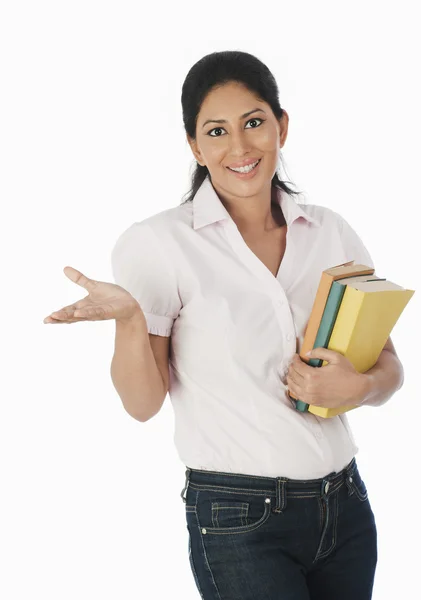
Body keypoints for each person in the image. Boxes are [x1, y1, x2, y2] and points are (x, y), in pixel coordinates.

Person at [43, 50, 404, 599]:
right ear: (194, 144)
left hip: (346, 508)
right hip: (240, 520)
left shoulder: (330, 231)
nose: (240, 147)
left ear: (281, 126)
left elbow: (390, 366)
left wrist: (359, 386)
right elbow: (141, 405)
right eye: (217, 131)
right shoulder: (161, 244)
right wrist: (130, 319)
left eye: (254, 123)